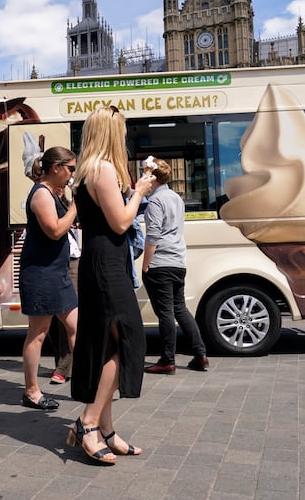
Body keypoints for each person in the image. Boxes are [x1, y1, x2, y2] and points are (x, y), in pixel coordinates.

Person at [67, 105, 155, 465]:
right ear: (109, 132)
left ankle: (106, 429)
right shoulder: (101, 169)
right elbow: (120, 223)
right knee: (131, 340)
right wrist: (139, 191)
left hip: (103, 261)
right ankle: (88, 422)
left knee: (109, 344)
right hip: (106, 264)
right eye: (121, 130)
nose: (125, 136)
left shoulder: (93, 170)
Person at [19, 147, 78, 410]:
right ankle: (31, 391)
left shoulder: (51, 193)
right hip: (41, 274)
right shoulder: (41, 194)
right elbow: (54, 230)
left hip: (56, 272)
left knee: (77, 327)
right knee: (38, 334)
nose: (72, 174)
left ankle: (91, 380)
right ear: (56, 167)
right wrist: (75, 208)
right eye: (70, 168)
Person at [141, 158, 208, 374]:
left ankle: (167, 360)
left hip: (161, 263)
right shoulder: (176, 198)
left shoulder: (154, 202)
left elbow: (153, 235)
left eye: (145, 174)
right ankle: (200, 354)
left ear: (152, 178)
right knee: (180, 309)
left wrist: (145, 264)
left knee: (166, 313)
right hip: (178, 261)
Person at [48, 187, 81, 385]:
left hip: (71, 259)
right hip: (60, 261)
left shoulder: (61, 198)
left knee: (68, 317)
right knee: (56, 318)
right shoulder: (43, 195)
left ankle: (65, 366)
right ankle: (63, 364)